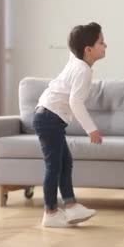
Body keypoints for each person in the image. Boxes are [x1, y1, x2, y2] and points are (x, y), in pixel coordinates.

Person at [34, 22, 107, 228]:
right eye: (101, 42)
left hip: (48, 117)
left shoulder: (76, 60)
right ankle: (50, 212)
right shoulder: (83, 70)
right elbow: (75, 102)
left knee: (65, 163)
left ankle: (71, 205)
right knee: (54, 166)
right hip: (49, 118)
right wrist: (91, 129)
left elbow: (72, 49)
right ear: (88, 50)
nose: (106, 45)